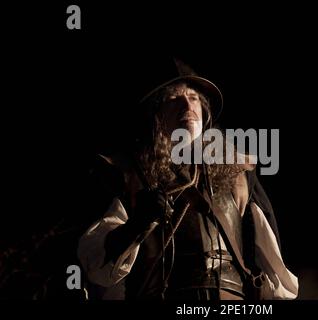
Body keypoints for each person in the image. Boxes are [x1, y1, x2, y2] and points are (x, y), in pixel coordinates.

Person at [77, 58, 298, 300]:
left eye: (193, 98)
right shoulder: (127, 175)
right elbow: (96, 266)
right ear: (153, 114)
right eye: (173, 98)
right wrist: (136, 226)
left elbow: (273, 268)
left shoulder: (238, 174)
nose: (187, 105)